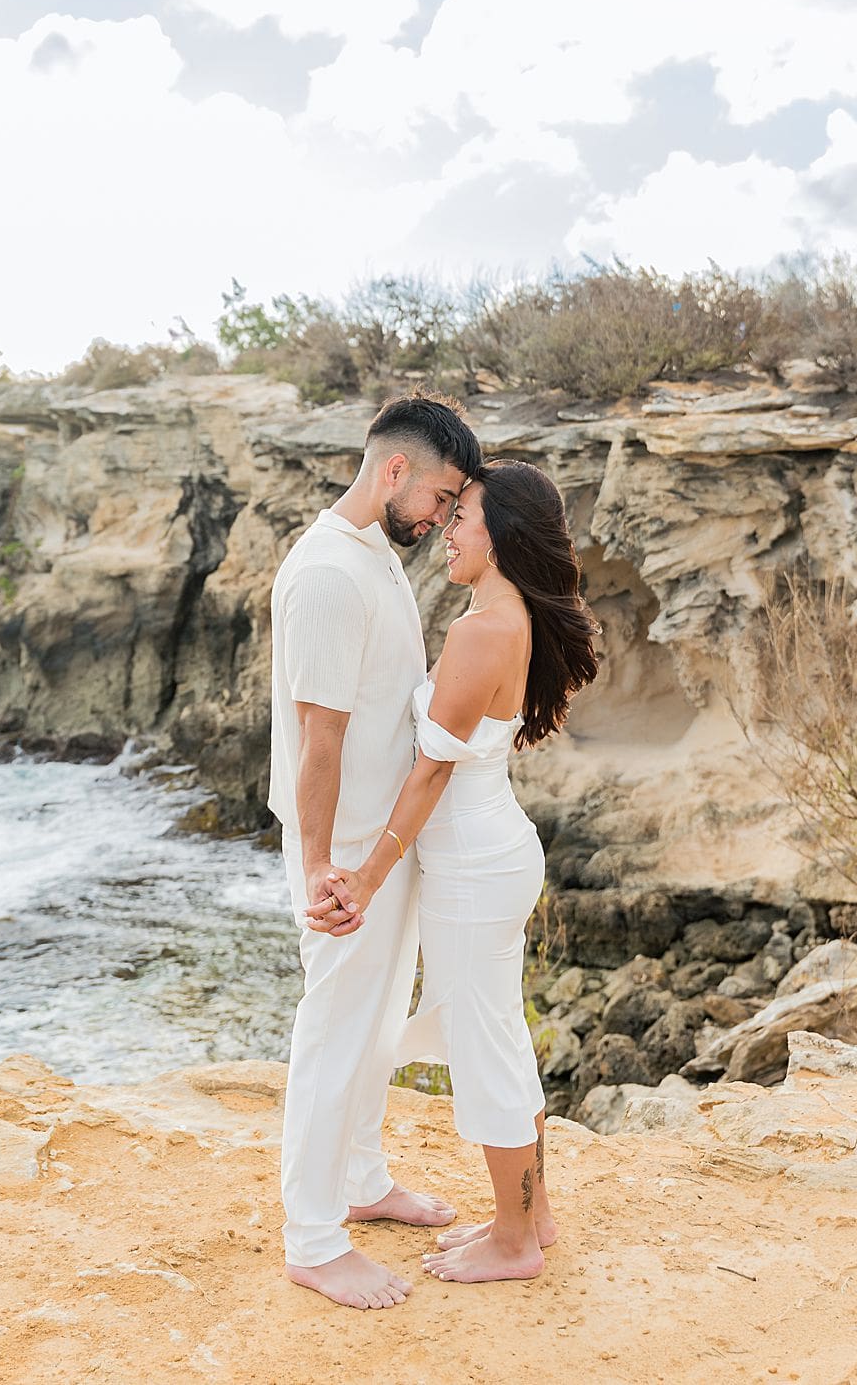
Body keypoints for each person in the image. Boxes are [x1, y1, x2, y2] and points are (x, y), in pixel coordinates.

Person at [313, 458, 598, 1285]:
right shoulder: (502, 615)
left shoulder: (483, 629)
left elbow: (432, 769)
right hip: (488, 852)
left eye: (462, 514)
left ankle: (514, 1241)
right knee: (498, 1033)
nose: (447, 527)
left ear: (500, 533)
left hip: (472, 864)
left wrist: (367, 875)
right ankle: (532, 1216)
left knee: (484, 1047)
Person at [270, 392, 483, 1311]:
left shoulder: (374, 556)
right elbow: (318, 737)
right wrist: (323, 867)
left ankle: (359, 1179)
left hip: (380, 844)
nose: (441, 519)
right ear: (395, 470)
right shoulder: (328, 572)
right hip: (346, 847)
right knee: (335, 1029)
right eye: (439, 497)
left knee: (377, 1021)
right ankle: (314, 1239)